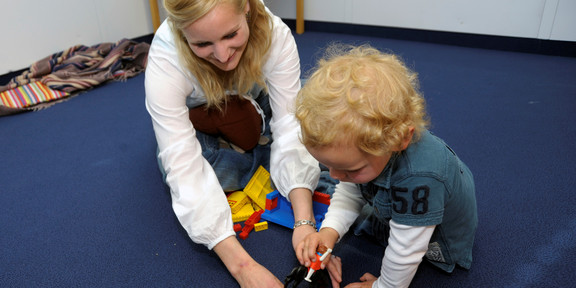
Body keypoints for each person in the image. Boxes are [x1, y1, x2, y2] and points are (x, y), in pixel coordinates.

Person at [145, 0, 330, 287]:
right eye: (203, 43)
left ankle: (253, 147)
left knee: (326, 115)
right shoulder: (165, 58)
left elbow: (290, 125)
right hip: (204, 115)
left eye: (231, 35)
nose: (222, 55)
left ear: (246, 6)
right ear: (183, 33)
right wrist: (243, 267)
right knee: (184, 171)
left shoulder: (273, 34)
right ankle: (259, 152)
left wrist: (304, 221)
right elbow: (183, 166)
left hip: (256, 98)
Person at [294, 44, 478, 288]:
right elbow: (350, 190)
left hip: (437, 239)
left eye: (351, 169)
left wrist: (383, 286)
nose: (336, 175)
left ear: (399, 140)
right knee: (352, 189)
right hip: (398, 201)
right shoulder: (370, 154)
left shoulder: (419, 179)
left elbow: (406, 252)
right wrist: (329, 232)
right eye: (328, 166)